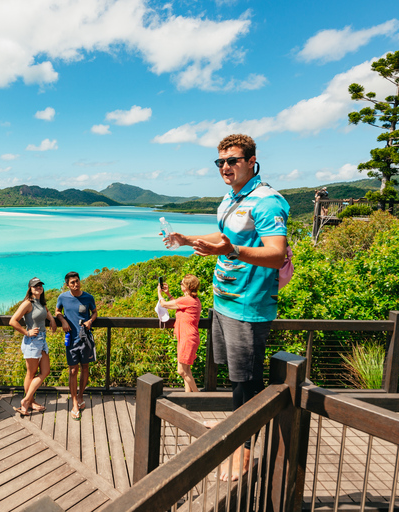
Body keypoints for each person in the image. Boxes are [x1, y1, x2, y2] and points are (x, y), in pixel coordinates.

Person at [164, 133, 289, 481]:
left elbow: (276, 255)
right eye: (220, 162)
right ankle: (237, 425)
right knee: (235, 376)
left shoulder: (267, 202)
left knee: (248, 380)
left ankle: (245, 450)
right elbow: (225, 239)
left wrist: (229, 251)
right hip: (224, 303)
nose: (225, 167)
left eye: (232, 160)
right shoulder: (231, 200)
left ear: (251, 161)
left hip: (249, 306)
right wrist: (188, 240)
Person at [9, 277, 57, 416]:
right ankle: (28, 401)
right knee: (31, 373)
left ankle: (28, 400)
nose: (38, 288)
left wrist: (52, 319)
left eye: (40, 285)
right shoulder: (27, 303)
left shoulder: (40, 302)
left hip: (42, 340)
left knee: (45, 371)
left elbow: (46, 311)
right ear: (30, 289)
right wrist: (26, 332)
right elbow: (13, 321)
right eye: (35, 286)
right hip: (33, 341)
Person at [55, 271, 97, 420]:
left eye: (77, 281)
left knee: (85, 367)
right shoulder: (63, 297)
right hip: (71, 339)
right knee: (73, 370)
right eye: (72, 282)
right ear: (67, 285)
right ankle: (73, 402)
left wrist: (90, 321)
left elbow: (95, 312)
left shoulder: (88, 297)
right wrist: (63, 321)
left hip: (85, 338)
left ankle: (80, 396)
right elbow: (57, 311)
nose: (75, 284)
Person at [157, 275, 202, 393]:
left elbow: (164, 304)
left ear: (187, 286)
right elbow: (178, 304)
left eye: (182, 283)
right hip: (188, 338)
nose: (181, 284)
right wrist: (168, 294)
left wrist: (159, 293)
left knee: (181, 371)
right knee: (187, 370)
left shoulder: (188, 300)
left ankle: (198, 397)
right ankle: (189, 397)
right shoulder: (193, 300)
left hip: (187, 338)